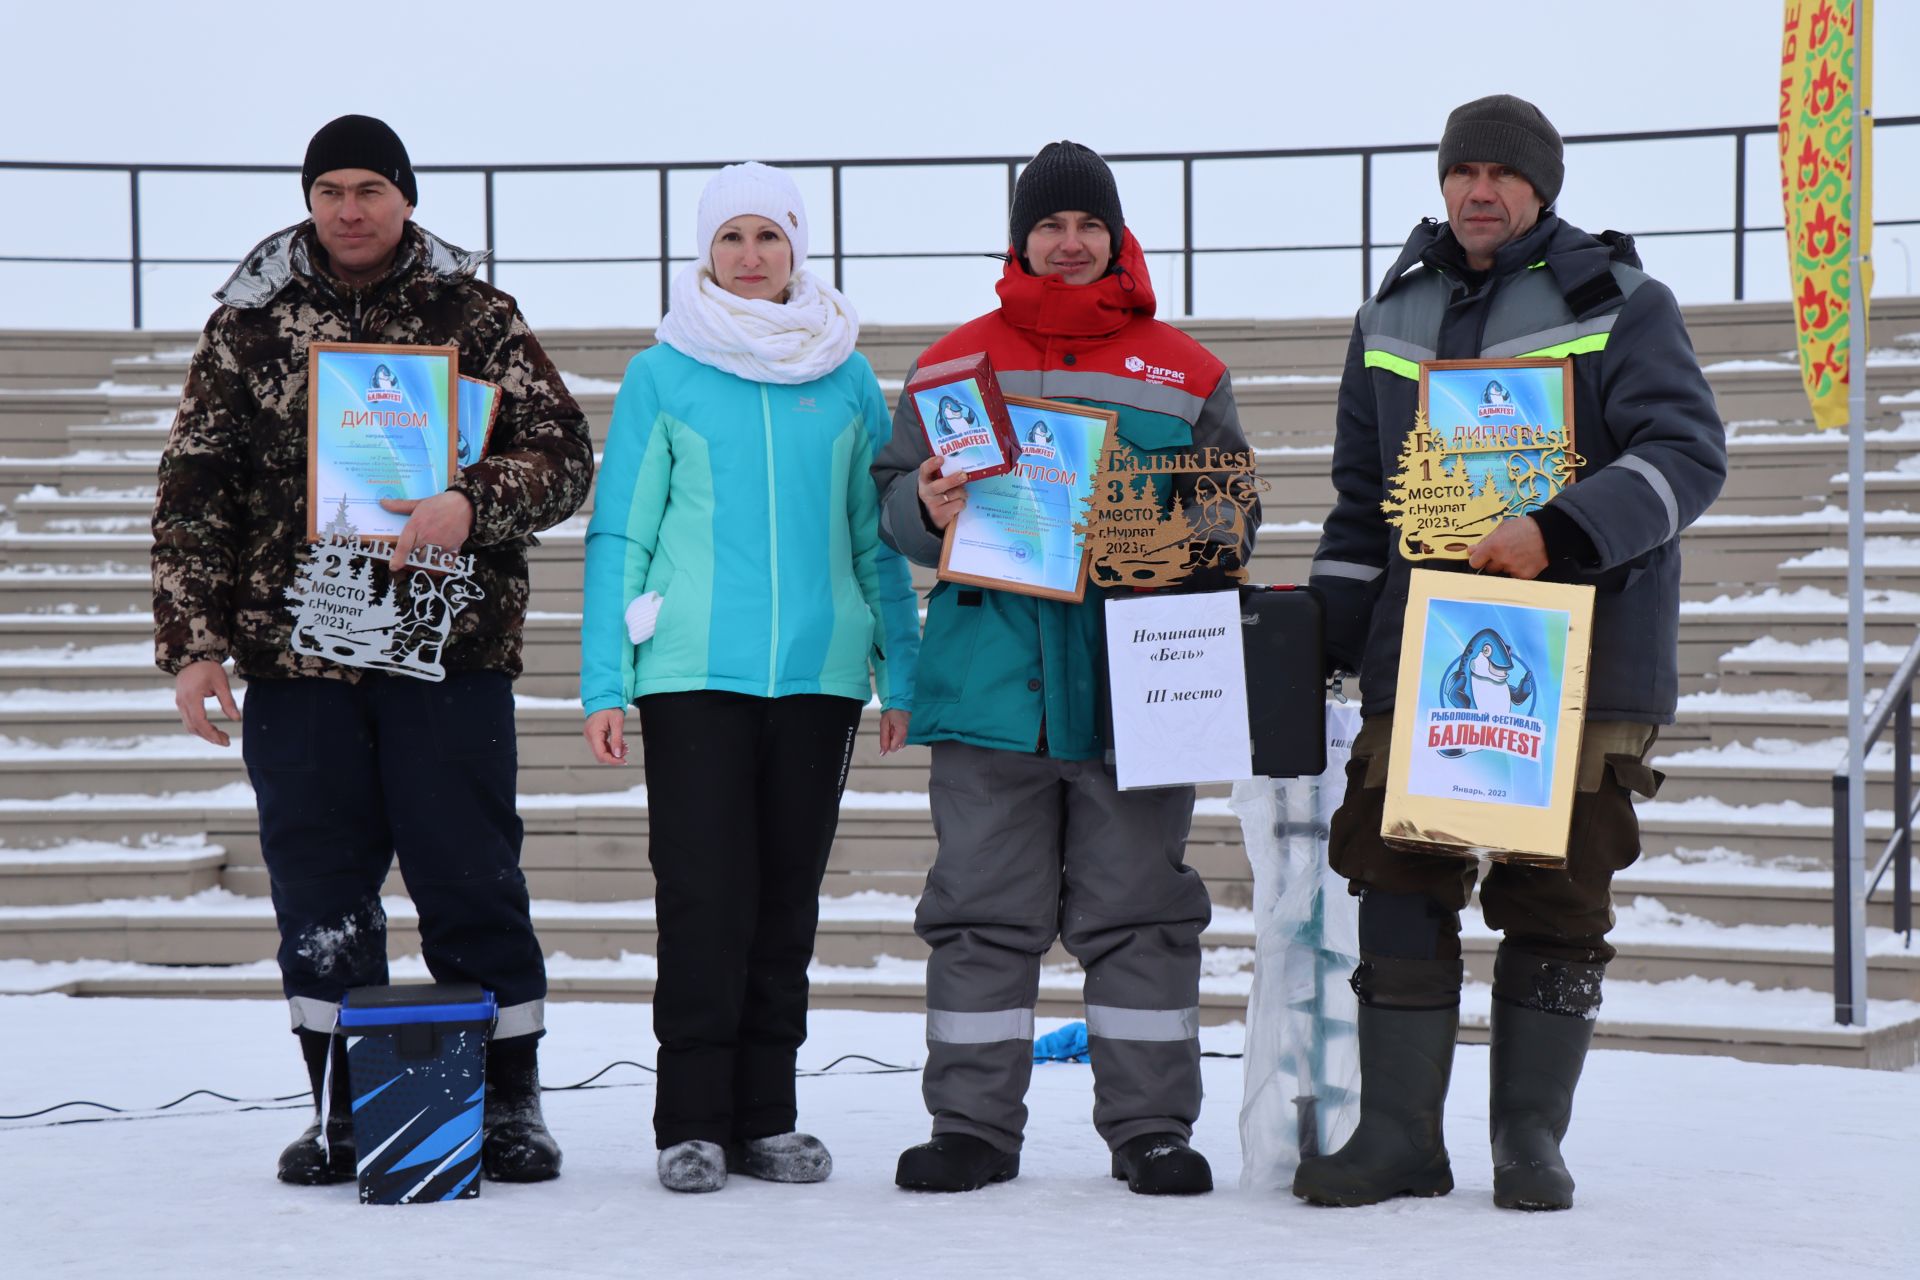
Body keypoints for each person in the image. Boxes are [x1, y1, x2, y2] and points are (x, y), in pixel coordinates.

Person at [1296, 94, 1726, 1211]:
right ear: (1442, 184)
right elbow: (1359, 511)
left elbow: (1687, 453)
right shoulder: (1389, 316)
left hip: (1588, 647)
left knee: (1558, 890)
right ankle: (1397, 1135)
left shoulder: (1626, 302)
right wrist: (1320, 645)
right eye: (1461, 171)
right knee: (1395, 874)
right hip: (1424, 650)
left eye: (1503, 173)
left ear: (1542, 187)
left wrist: (1560, 530)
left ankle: (1529, 1138)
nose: (1479, 191)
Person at [152, 114, 593, 1187]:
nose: (350, 208)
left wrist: (466, 499)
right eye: (331, 189)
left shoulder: (477, 317)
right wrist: (194, 644)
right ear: (311, 200)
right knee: (320, 887)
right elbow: (194, 491)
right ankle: (343, 1105)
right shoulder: (249, 323)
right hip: (296, 660)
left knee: (471, 876)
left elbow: (565, 455)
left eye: (370, 188)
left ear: (407, 197)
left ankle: (506, 1102)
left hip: (445, 653)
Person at [872, 140, 1258, 1196]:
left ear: (1117, 235)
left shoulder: (1185, 371)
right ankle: (972, 1129)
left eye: (1089, 224)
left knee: (1142, 914)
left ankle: (1150, 1127)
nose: (1071, 241)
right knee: (980, 915)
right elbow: (892, 501)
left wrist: (1162, 541)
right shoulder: (955, 364)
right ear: (1021, 239)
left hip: (1138, 688)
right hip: (990, 691)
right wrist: (928, 507)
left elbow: (1233, 521)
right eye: (1051, 225)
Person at [580, 161, 920, 1194]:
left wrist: (897, 666)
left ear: (797, 247)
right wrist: (606, 678)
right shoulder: (665, 371)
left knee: (784, 903)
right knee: (702, 898)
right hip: (694, 676)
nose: (750, 256)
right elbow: (622, 530)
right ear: (705, 252)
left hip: (817, 680)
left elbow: (876, 541)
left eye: (768, 237)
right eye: (731, 238)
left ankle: (768, 1115)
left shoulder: (847, 373)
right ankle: (689, 1119)